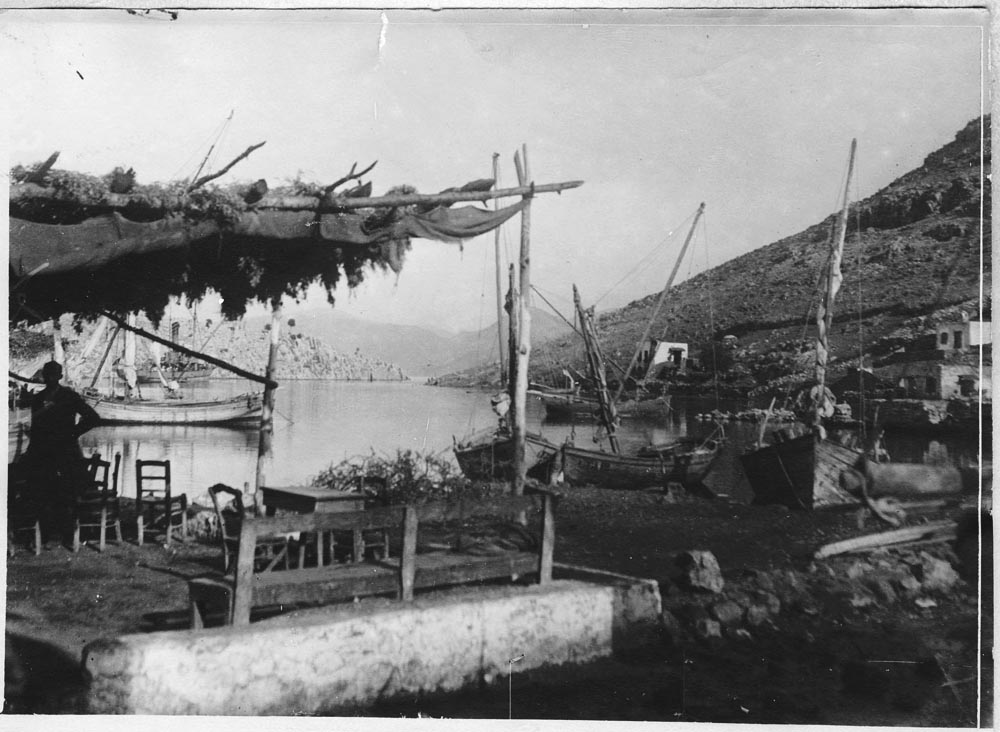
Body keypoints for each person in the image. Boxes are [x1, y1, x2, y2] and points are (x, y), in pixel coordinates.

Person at [21, 361, 101, 547]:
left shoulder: (69, 396)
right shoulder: (38, 399)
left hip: (66, 452)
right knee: (43, 494)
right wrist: (31, 450)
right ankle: (46, 534)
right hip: (42, 454)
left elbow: (93, 418)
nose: (50, 378)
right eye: (47, 375)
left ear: (59, 376)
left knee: (67, 494)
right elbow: (36, 428)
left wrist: (72, 433)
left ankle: (69, 535)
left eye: (53, 375)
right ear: (44, 377)